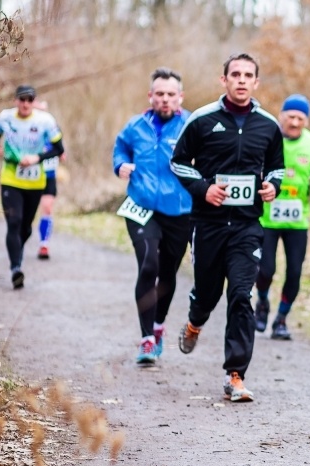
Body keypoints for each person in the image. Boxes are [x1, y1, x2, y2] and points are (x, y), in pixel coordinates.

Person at [171, 52, 284, 402]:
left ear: (255, 82)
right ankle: (194, 322)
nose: (241, 80)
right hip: (208, 223)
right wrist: (205, 189)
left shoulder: (268, 125)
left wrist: (272, 187)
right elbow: (178, 162)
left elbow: (277, 168)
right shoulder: (202, 120)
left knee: (240, 295)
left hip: (247, 226)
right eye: (234, 74)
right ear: (224, 80)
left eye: (248, 75)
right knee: (207, 293)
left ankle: (235, 374)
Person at [113, 67, 192, 365]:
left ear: (180, 97)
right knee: (149, 264)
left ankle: (158, 326)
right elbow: (120, 148)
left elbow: (210, 158)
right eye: (160, 94)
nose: (165, 99)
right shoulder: (136, 125)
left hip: (180, 210)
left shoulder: (192, 125)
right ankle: (147, 339)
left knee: (168, 273)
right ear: (150, 96)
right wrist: (120, 165)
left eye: (171, 94)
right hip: (142, 205)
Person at [254, 94, 310, 340]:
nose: (295, 122)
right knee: (265, 270)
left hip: (298, 221)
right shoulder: (268, 138)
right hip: (267, 218)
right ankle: (263, 301)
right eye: (291, 117)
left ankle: (281, 319)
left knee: (294, 272)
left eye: (301, 118)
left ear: (306, 121)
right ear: (281, 116)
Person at [0, 85, 64, 289]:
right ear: (15, 101)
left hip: (35, 181)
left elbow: (59, 149)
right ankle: (16, 269)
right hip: (11, 179)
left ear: (34, 101)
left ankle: (17, 251)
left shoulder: (45, 121)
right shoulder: (6, 117)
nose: (25, 103)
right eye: (22, 99)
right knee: (14, 222)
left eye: (30, 99)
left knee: (26, 228)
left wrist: (36, 157)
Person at [33, 100, 64, 260]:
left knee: (47, 208)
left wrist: (60, 155)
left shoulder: (53, 129)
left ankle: (44, 244)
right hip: (30, 177)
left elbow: (61, 150)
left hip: (49, 175)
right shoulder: (28, 130)